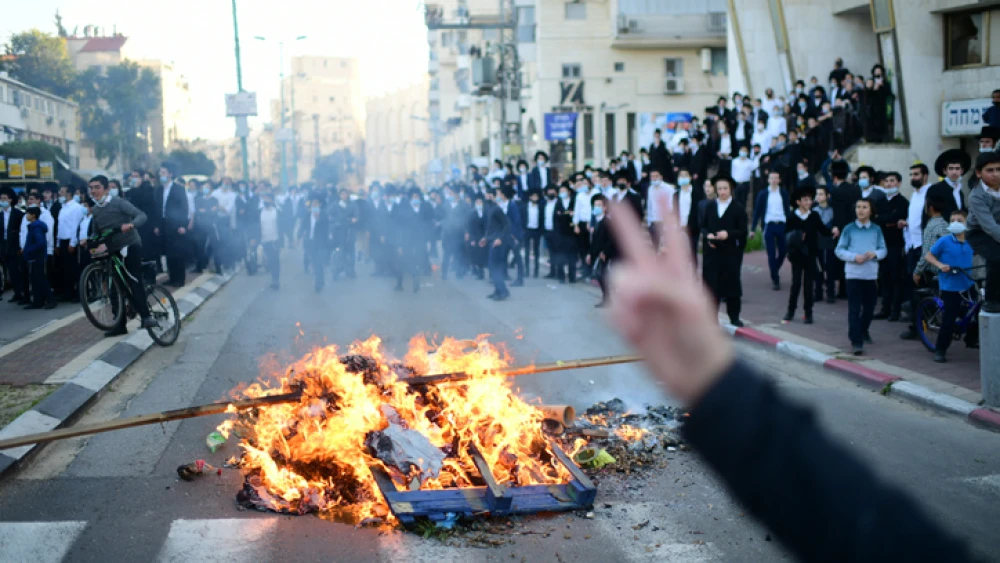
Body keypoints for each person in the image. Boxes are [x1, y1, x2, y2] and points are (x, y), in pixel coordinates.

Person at [87, 176, 157, 334]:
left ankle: (146, 317)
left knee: (133, 280)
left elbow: (141, 215)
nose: (93, 191)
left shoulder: (119, 203)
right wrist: (89, 240)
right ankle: (119, 325)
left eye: (97, 187)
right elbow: (96, 231)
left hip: (130, 245)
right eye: (91, 188)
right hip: (112, 250)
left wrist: (131, 224)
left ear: (106, 189)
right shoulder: (96, 209)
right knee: (114, 287)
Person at [922, 210, 977, 362]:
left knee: (977, 312)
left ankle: (971, 339)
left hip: (968, 283)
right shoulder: (945, 241)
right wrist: (940, 265)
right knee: (949, 319)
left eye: (959, 220)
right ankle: (940, 349)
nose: (955, 223)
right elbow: (928, 255)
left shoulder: (971, 241)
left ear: (966, 223)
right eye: (952, 220)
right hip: (950, 286)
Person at [835, 199, 887, 355]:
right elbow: (839, 250)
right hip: (853, 274)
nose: (861, 210)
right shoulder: (849, 229)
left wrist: (875, 253)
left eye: (865, 207)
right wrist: (853, 257)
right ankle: (856, 341)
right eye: (858, 207)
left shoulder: (876, 229)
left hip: (870, 275)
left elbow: (883, 249)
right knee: (854, 309)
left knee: (870, 308)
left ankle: (863, 330)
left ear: (871, 211)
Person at [784, 186, 836, 324]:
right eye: (805, 200)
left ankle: (809, 313)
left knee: (808, 285)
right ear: (798, 202)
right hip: (796, 255)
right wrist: (796, 239)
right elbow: (786, 237)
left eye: (810, 200)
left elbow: (823, 230)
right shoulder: (792, 217)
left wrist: (833, 231)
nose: (809, 202)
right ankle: (790, 311)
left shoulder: (814, 215)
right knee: (795, 284)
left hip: (811, 255)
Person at [701, 176, 747, 327]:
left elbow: (742, 231)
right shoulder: (710, 206)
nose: (722, 192)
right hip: (712, 252)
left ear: (731, 189)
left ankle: (734, 316)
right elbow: (703, 225)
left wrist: (728, 234)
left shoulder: (738, 208)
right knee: (711, 286)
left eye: (725, 188)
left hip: (730, 253)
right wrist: (708, 235)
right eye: (719, 189)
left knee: (731, 285)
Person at [966, 151, 1000, 313]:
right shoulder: (976, 196)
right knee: (996, 258)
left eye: (999, 169)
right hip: (978, 233)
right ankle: (991, 300)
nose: (996, 174)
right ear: (979, 173)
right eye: (990, 170)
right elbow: (990, 227)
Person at [873, 172, 908, 320]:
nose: (888, 184)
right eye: (886, 181)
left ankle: (895, 310)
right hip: (881, 243)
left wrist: (886, 220)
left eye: (892, 181)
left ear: (899, 183)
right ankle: (884, 309)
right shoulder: (879, 201)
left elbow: (895, 218)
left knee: (896, 277)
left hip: (896, 244)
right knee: (883, 277)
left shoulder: (903, 202)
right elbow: (875, 219)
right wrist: (886, 221)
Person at [751, 171, 790, 290]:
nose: (773, 180)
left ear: (779, 180)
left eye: (776, 178)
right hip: (769, 225)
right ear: (768, 180)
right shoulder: (763, 194)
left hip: (782, 225)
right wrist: (752, 229)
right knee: (771, 253)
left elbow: (788, 210)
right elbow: (757, 211)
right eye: (771, 178)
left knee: (783, 251)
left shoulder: (783, 193)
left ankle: (774, 269)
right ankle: (775, 279)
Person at [829, 160, 861, 298]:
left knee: (841, 259)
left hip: (842, 230)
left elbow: (838, 213)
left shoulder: (836, 192)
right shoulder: (855, 189)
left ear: (834, 176)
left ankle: (842, 290)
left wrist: (837, 227)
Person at [157, 163, 189, 287]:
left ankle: (180, 279)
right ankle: (172, 277)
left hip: (176, 224)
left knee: (177, 253)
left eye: (164, 173)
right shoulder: (159, 189)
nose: (161, 175)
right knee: (168, 253)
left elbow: (184, 208)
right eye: (160, 173)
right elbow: (158, 208)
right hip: (164, 224)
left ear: (170, 174)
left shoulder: (178, 189)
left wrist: (183, 225)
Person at [22, 206, 55, 310]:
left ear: (33, 215)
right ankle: (37, 301)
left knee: (41, 279)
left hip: (37, 258)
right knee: (35, 280)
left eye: (28, 214)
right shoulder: (33, 226)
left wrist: (28, 250)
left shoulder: (37, 228)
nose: (26, 216)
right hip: (34, 258)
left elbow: (40, 243)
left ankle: (50, 299)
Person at [586, 194, 616, 308]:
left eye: (599, 205)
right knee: (600, 277)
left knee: (603, 276)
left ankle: (607, 299)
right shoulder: (597, 221)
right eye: (595, 205)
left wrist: (605, 252)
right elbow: (594, 240)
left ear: (605, 207)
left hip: (605, 254)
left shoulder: (608, 221)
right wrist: (589, 253)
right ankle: (606, 298)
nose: (596, 207)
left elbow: (611, 239)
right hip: (596, 253)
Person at [927, 149, 971, 224]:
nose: (954, 172)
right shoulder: (935, 189)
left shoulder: (960, 192)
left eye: (957, 168)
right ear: (944, 171)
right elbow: (929, 214)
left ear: (962, 171)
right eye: (951, 168)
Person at [482, 193, 512, 301]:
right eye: (487, 195)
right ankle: (498, 290)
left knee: (494, 266)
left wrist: (500, 239)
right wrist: (486, 238)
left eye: (491, 196)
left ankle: (503, 291)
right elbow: (491, 227)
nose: (488, 197)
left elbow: (507, 225)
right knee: (492, 266)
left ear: (495, 197)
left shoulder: (497, 209)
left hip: (497, 242)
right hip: (491, 240)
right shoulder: (489, 209)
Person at [811, 186, 837, 304]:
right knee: (818, 267)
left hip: (830, 241)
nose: (818, 196)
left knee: (830, 267)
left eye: (821, 194)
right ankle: (818, 292)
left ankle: (830, 293)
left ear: (827, 196)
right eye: (817, 194)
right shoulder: (813, 211)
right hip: (817, 240)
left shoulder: (833, 210)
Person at [495, 186, 524, 287]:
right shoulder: (504, 204)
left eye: (500, 194)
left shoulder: (513, 205)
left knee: (517, 257)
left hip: (513, 236)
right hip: (506, 235)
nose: (498, 196)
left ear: (503, 195)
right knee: (503, 255)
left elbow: (516, 221)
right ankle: (504, 274)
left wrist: (514, 235)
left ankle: (520, 279)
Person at [300, 196, 330, 292]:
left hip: (321, 243)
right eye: (313, 204)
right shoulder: (308, 215)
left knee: (320, 263)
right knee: (314, 263)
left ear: (320, 205)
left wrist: (318, 219)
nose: (314, 205)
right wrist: (298, 236)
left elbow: (326, 228)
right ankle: (319, 280)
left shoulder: (324, 215)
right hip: (311, 242)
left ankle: (319, 282)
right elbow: (303, 226)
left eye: (316, 204)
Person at [673, 169, 702, 264]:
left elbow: (698, 211)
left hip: (692, 228)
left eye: (685, 175)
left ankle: (693, 276)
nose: (683, 177)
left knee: (692, 254)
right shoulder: (676, 194)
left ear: (690, 177)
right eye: (681, 176)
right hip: (679, 228)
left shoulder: (696, 192)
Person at [553, 183, 577, 283]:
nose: (562, 193)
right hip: (560, 234)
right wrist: (567, 215)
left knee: (572, 256)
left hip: (571, 234)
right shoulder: (558, 203)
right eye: (561, 191)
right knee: (560, 256)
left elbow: (575, 215)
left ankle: (572, 277)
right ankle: (561, 277)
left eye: (564, 191)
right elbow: (556, 217)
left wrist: (563, 215)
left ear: (569, 192)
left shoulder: (574, 201)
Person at [259, 191, 281, 290]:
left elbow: (283, 225)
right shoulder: (259, 212)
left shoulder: (277, 212)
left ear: (272, 201)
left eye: (268, 199)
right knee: (268, 260)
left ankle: (275, 280)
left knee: (275, 260)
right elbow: (255, 226)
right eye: (264, 199)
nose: (266, 201)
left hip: (274, 240)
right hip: (264, 240)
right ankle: (271, 273)